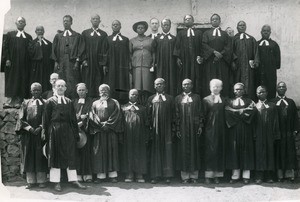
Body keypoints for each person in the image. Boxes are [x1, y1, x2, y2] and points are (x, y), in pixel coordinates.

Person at [44, 79, 86, 191]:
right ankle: (56, 182)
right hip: (55, 130)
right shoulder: (49, 102)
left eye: (62, 86)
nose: (60, 88)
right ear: (54, 88)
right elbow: (46, 120)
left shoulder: (69, 101)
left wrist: (75, 133)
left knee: (71, 154)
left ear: (66, 88)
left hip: (68, 131)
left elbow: (73, 119)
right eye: (58, 86)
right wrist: (46, 134)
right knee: (55, 155)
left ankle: (73, 180)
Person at [16, 83, 47, 189]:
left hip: (40, 134)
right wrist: (30, 128)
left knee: (40, 157)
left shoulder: (45, 103)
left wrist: (40, 127)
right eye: (34, 90)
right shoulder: (26, 103)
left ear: (41, 90)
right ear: (31, 91)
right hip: (28, 134)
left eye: (38, 90)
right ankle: (30, 181)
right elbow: (21, 118)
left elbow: (47, 117)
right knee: (29, 157)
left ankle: (41, 180)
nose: (36, 92)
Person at [89, 84, 123, 183]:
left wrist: (108, 125)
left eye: (105, 90)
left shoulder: (114, 102)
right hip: (99, 132)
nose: (103, 92)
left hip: (111, 131)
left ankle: (113, 175)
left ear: (109, 91)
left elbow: (117, 114)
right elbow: (92, 115)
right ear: (98, 92)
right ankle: (100, 176)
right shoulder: (95, 103)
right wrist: (100, 125)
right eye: (101, 90)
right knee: (99, 153)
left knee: (112, 152)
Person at [225, 83, 256, 184]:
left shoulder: (249, 101)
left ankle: (246, 176)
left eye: (240, 89)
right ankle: (235, 175)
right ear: (234, 91)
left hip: (246, 129)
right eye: (236, 89)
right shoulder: (229, 101)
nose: (238, 91)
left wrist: (236, 111)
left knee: (246, 151)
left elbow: (251, 112)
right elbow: (227, 112)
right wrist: (243, 111)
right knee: (235, 151)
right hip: (234, 129)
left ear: (244, 90)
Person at [147, 78, 175, 184]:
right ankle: (155, 175)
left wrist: (173, 128)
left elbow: (174, 114)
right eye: (157, 84)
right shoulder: (150, 99)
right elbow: (148, 115)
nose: (159, 86)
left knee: (167, 151)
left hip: (167, 129)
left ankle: (167, 176)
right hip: (155, 130)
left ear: (165, 85)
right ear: (154, 86)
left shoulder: (170, 98)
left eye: (161, 84)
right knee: (156, 151)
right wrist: (149, 127)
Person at [175, 79, 202, 183]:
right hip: (182, 128)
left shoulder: (197, 98)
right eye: (184, 84)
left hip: (194, 128)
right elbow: (176, 114)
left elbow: (200, 112)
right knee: (183, 151)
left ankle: (194, 176)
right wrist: (177, 128)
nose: (186, 86)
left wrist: (200, 126)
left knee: (194, 151)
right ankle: (185, 177)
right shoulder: (178, 98)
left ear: (192, 85)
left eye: (188, 84)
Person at [271, 82, 299, 182]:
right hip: (278, 133)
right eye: (279, 87)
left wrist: (295, 129)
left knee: (289, 153)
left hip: (288, 133)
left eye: (283, 87)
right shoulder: (273, 102)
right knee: (278, 153)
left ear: (286, 89)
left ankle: (289, 174)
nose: (281, 88)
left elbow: (296, 117)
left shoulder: (291, 102)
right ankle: (280, 175)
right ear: (276, 89)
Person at [52, 15, 85, 99]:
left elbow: (81, 49)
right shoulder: (58, 36)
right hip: (61, 62)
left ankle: (73, 99)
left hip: (72, 63)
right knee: (62, 79)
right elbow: (54, 50)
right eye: (64, 21)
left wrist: (77, 61)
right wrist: (56, 62)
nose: (66, 22)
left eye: (67, 21)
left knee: (72, 80)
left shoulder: (77, 36)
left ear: (71, 22)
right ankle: (61, 98)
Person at [4, 16, 32, 108]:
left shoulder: (28, 37)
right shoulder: (10, 35)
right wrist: (7, 59)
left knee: (22, 79)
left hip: (24, 64)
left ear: (25, 24)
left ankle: (20, 100)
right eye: (19, 21)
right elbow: (5, 48)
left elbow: (30, 51)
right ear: (16, 23)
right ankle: (10, 100)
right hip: (12, 63)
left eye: (22, 22)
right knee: (12, 80)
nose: (21, 23)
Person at [121, 89, 148, 183]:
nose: (134, 96)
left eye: (136, 95)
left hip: (139, 135)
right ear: (128, 95)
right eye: (132, 94)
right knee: (128, 153)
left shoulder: (142, 109)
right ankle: (129, 174)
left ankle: (139, 174)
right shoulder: (123, 108)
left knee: (139, 153)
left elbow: (147, 123)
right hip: (127, 135)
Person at [254, 86, 280, 184]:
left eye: (263, 92)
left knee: (270, 153)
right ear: (256, 94)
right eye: (259, 92)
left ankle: (269, 176)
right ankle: (259, 176)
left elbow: (276, 121)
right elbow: (252, 123)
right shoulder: (254, 106)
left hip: (269, 134)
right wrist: (254, 134)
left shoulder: (272, 106)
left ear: (267, 93)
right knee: (259, 154)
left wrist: (275, 134)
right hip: (259, 134)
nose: (261, 94)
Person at [202, 79, 226, 184]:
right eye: (214, 86)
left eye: (218, 86)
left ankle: (217, 175)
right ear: (210, 87)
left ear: (221, 88)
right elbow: (202, 115)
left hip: (221, 130)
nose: (216, 88)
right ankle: (208, 175)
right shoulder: (206, 100)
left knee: (219, 151)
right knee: (210, 152)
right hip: (209, 129)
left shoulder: (224, 100)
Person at [202, 14, 232, 97]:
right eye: (213, 19)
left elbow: (228, 46)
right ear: (211, 22)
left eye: (217, 19)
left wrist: (221, 54)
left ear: (220, 21)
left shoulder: (225, 34)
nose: (215, 20)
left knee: (223, 80)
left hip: (222, 62)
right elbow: (204, 45)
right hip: (210, 62)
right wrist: (214, 52)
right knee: (210, 80)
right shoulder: (206, 33)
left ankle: (223, 101)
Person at [173, 14, 203, 96]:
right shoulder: (180, 33)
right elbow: (177, 46)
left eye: (189, 19)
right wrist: (178, 58)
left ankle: (196, 94)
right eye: (186, 19)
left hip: (195, 59)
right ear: (184, 22)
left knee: (196, 75)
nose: (188, 20)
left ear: (193, 21)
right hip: (184, 59)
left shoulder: (199, 33)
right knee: (185, 74)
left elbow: (202, 45)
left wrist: (201, 56)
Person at [81, 14, 108, 98]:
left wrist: (103, 63)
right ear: (91, 21)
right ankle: (88, 98)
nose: (95, 20)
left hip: (98, 62)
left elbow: (105, 49)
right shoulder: (85, 33)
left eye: (97, 19)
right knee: (88, 79)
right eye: (93, 19)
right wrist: (84, 59)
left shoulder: (103, 34)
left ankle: (98, 97)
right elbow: (82, 47)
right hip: (88, 61)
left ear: (100, 21)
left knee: (98, 78)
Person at [232, 21, 259, 100]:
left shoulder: (251, 39)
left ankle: (249, 101)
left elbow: (256, 52)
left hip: (249, 67)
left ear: (246, 27)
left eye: (243, 25)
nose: (242, 27)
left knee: (249, 85)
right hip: (238, 66)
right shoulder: (234, 39)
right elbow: (230, 51)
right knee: (238, 83)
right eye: (240, 25)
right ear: (237, 28)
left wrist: (255, 62)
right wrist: (233, 61)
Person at [130, 21, 155, 105]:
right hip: (136, 66)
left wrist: (153, 63)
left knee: (147, 86)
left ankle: (147, 103)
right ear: (136, 30)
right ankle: (138, 103)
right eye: (138, 28)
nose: (140, 29)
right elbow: (129, 54)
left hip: (147, 66)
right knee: (137, 86)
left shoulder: (150, 40)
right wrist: (130, 64)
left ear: (145, 29)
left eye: (142, 28)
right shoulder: (132, 41)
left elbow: (153, 53)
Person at [73, 83, 94, 182]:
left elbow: (92, 114)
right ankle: (78, 175)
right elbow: (70, 115)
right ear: (77, 91)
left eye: (83, 90)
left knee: (87, 153)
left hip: (86, 129)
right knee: (76, 153)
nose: (81, 92)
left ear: (87, 91)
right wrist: (78, 120)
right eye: (79, 90)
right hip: (75, 130)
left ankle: (87, 175)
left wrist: (83, 122)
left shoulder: (91, 101)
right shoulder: (73, 102)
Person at [105, 20, 130, 103]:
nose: (115, 26)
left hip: (122, 65)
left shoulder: (126, 40)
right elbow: (105, 52)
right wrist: (105, 64)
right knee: (112, 80)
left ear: (120, 26)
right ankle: (112, 99)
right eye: (113, 25)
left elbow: (128, 53)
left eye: (117, 25)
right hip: (111, 64)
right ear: (111, 27)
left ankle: (122, 99)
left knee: (122, 80)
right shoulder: (107, 39)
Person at [152, 18, 177, 96]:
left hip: (171, 63)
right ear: (161, 26)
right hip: (160, 63)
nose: (165, 26)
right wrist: (154, 63)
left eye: (167, 25)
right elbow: (153, 51)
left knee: (171, 79)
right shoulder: (157, 38)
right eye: (164, 25)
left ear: (170, 26)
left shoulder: (174, 38)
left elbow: (176, 51)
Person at [257, 25, 281, 99]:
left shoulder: (274, 44)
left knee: (270, 88)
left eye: (267, 31)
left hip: (270, 72)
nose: (266, 32)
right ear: (261, 32)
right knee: (259, 87)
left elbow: (278, 62)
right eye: (264, 31)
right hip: (258, 72)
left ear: (270, 32)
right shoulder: (257, 43)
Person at [28, 26, 54, 92]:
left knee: (46, 81)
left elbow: (51, 55)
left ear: (44, 31)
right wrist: (38, 43)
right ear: (35, 32)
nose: (40, 32)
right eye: (38, 30)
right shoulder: (32, 43)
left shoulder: (48, 43)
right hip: (36, 66)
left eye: (41, 30)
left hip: (46, 66)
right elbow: (30, 54)